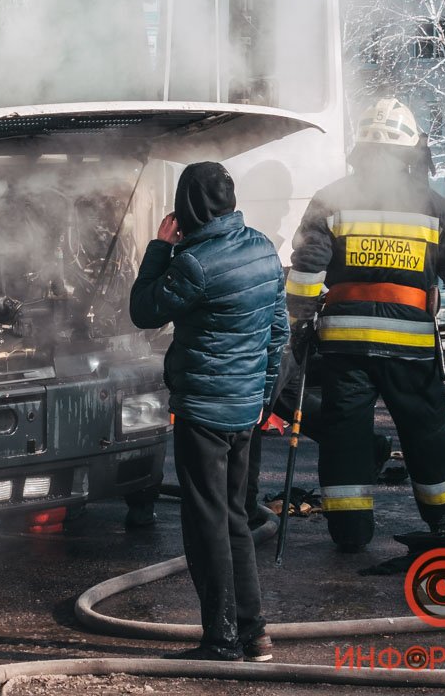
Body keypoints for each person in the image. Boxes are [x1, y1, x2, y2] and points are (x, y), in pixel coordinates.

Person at [285, 98, 445, 552]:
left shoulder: (331, 199)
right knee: (425, 429)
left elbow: (306, 270)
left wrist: (298, 325)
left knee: (345, 437)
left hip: (345, 347)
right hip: (411, 348)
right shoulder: (431, 206)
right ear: (409, 151)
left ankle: (350, 531)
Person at [130, 161, 288, 663]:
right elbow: (278, 334)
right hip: (245, 410)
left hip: (203, 409)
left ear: (188, 206)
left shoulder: (194, 264)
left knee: (206, 527)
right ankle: (254, 633)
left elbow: (143, 310)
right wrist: (262, 400)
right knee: (236, 519)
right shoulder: (263, 248)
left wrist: (158, 247)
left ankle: (220, 641)